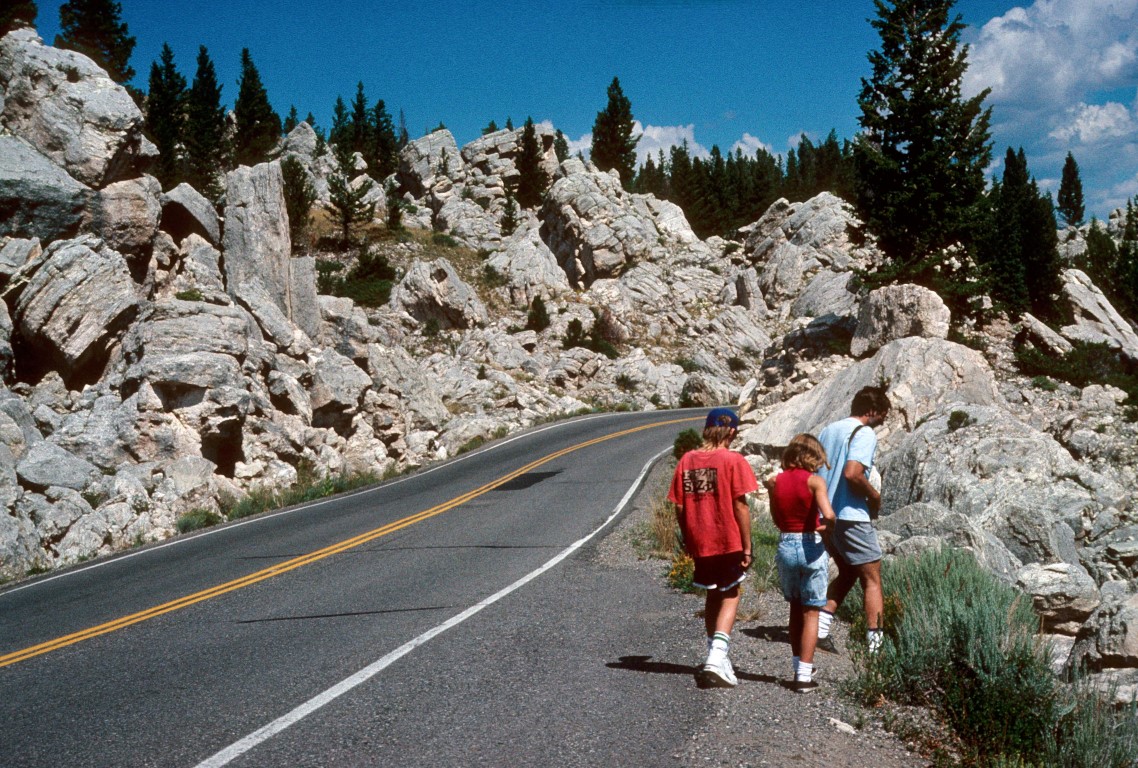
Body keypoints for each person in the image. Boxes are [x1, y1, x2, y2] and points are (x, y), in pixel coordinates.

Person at [668, 407, 758, 688]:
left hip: (700, 540)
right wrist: (747, 546)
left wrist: (688, 539)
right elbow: (740, 505)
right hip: (726, 537)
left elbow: (680, 507)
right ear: (731, 431)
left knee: (712, 595)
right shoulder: (733, 460)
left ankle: (715, 655)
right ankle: (717, 657)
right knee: (731, 593)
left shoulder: (687, 460)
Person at [815, 385, 891, 655]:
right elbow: (853, 473)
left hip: (827, 515)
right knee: (872, 578)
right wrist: (875, 497)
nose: (883, 420)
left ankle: (820, 629)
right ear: (871, 411)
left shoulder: (829, 430)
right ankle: (876, 648)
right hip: (851, 516)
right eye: (882, 415)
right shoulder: (865, 433)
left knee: (848, 571)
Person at [769, 434, 836, 693]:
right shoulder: (815, 482)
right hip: (810, 544)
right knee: (812, 612)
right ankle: (804, 676)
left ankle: (799, 664)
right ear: (813, 456)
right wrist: (825, 528)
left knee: (795, 607)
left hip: (786, 542)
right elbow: (828, 515)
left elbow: (777, 520)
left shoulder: (777, 481)